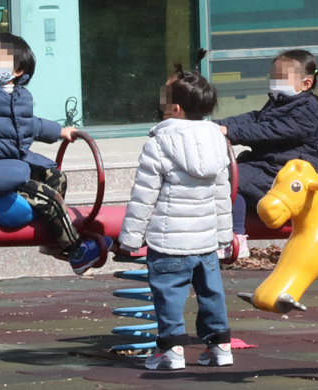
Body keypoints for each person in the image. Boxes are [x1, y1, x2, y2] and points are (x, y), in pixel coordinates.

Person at [118, 58, 234, 370]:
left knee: (168, 294)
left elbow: (144, 196)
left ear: (175, 109)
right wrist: (225, 236)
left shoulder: (160, 142)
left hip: (168, 242)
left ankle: (171, 350)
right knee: (211, 293)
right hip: (206, 240)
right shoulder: (218, 141)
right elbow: (223, 194)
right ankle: (220, 346)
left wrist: (129, 239)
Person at [0, 32, 103, 275]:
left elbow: (31, 124)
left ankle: (54, 238)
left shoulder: (19, 96)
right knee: (49, 198)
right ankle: (76, 251)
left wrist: (60, 131)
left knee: (57, 177)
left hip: (13, 165)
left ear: (17, 71)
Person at [215, 49, 318, 259]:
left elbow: (270, 131)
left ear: (306, 84)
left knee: (234, 179)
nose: (276, 81)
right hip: (267, 165)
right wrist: (217, 125)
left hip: (282, 173)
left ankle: (236, 239)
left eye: (282, 77)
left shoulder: (308, 108)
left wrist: (229, 132)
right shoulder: (281, 102)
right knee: (226, 172)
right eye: (274, 75)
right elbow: (255, 118)